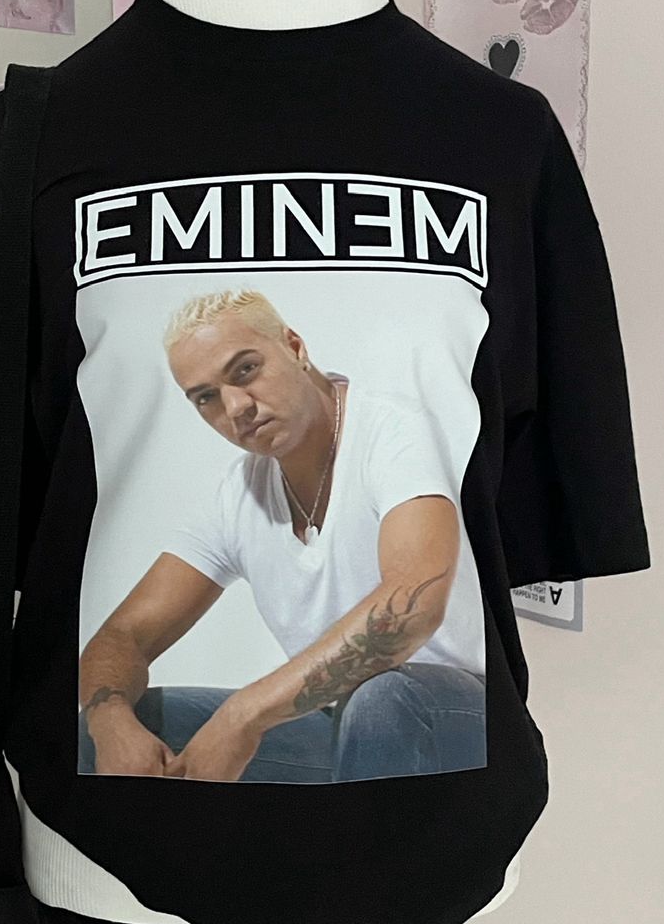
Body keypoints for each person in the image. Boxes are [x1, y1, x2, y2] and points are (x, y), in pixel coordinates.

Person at [77, 288, 489, 785]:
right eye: (206, 397)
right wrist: (109, 721)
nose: (235, 407)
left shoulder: (393, 431)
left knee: (382, 700)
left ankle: (354, 841)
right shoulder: (240, 493)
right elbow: (123, 636)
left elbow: (411, 608)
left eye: (245, 370)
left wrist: (243, 715)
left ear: (294, 347)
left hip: (458, 719)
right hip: (340, 723)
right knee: (115, 730)